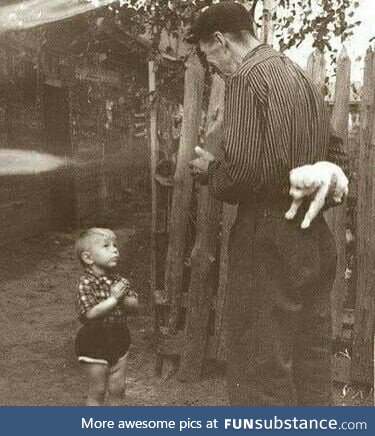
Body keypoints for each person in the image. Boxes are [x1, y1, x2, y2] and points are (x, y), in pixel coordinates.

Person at [188, 2, 349, 406]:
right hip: (312, 235)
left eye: (210, 59)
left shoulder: (246, 77)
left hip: (267, 238)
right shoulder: (298, 75)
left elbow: (242, 174)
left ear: (220, 42)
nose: (216, 70)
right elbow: (335, 153)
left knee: (259, 369)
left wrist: (211, 171)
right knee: (311, 362)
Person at [75, 228, 138, 406]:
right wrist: (113, 299)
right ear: (88, 258)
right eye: (106, 246)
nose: (115, 249)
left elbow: (134, 307)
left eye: (115, 245)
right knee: (98, 390)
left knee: (118, 388)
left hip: (119, 337)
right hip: (94, 341)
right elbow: (88, 314)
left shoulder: (120, 281)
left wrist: (124, 297)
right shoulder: (86, 283)